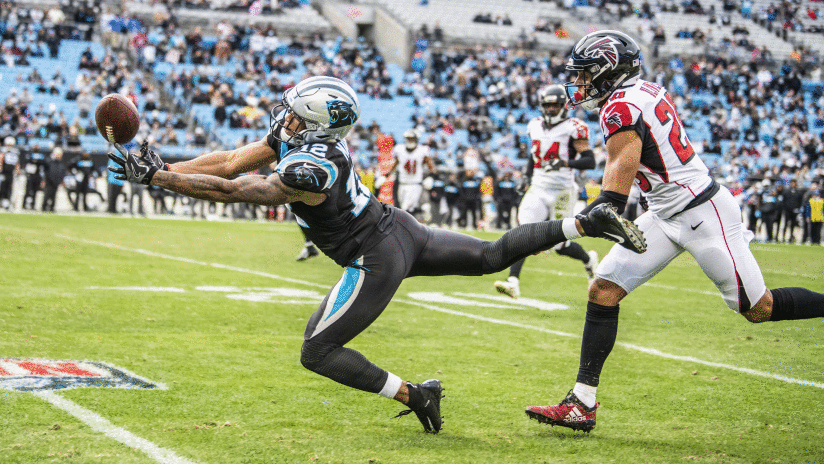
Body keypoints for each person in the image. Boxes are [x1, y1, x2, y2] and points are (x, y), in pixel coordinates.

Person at [109, 76, 646, 434]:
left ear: (314, 124)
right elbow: (227, 162)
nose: (285, 120)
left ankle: (417, 396)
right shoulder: (305, 141)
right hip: (398, 228)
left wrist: (157, 178)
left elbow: (235, 191)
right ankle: (583, 221)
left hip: (375, 255)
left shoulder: (311, 166)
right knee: (488, 257)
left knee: (317, 352)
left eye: (295, 116)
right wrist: (166, 167)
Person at [524, 30, 824, 433]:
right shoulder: (644, 89)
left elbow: (614, 195)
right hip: (665, 213)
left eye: (585, 74)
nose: (578, 84)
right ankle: (582, 403)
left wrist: (559, 228)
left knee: (757, 308)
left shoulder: (620, 108)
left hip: (702, 214)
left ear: (609, 71)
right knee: (603, 290)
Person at [494, 85, 600, 299]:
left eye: (555, 105)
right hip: (538, 187)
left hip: (562, 190)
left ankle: (588, 260)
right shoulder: (534, 125)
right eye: (547, 105)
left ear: (563, 106)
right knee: (522, 233)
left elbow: (590, 160)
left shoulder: (574, 127)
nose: (551, 109)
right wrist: (525, 176)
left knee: (560, 246)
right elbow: (533, 157)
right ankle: (512, 281)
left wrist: (564, 162)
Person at [390, 129, 436, 216]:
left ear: (416, 139)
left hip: (415, 183)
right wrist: (386, 175)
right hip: (402, 183)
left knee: (405, 208)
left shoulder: (422, 150)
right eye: (408, 138)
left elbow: (430, 166)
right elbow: (395, 164)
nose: (410, 141)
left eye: (412, 138)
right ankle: (422, 210)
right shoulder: (399, 149)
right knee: (404, 208)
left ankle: (408, 226)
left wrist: (431, 176)